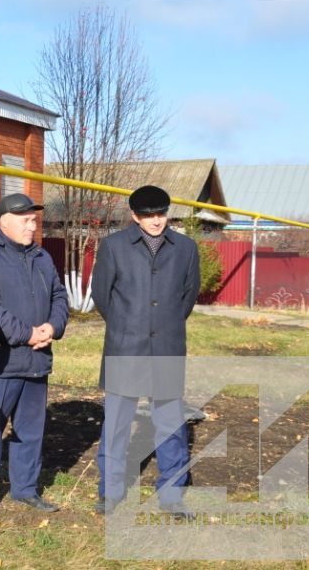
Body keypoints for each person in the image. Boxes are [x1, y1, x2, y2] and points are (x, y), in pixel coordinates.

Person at [91, 185, 200, 519]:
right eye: (149, 215)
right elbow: (102, 295)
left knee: (170, 423)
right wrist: (129, 325)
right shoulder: (113, 247)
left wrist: (161, 326)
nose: (157, 221)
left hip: (167, 347)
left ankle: (171, 494)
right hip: (125, 347)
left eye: (162, 213)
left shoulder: (185, 248)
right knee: (118, 423)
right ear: (134, 216)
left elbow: (188, 296)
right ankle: (109, 491)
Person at [0, 193, 69, 520]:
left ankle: (26, 489)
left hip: (38, 361)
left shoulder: (41, 257)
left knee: (31, 430)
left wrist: (52, 328)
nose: (32, 225)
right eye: (25, 220)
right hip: (1, 363)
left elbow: (59, 295)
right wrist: (26, 334)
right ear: (4, 222)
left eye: (34, 219)